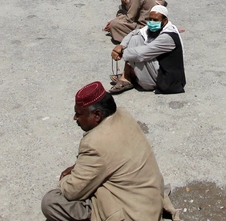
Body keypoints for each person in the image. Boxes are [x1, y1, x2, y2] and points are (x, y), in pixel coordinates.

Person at [40, 82, 175, 221]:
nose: (75, 118)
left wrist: (65, 179)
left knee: (50, 202)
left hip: (132, 215)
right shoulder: (123, 115)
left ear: (97, 115)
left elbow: (71, 191)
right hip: (150, 202)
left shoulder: (94, 143)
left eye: (78, 114)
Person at [109, 5, 185, 95]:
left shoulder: (168, 37)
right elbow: (134, 32)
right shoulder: (151, 28)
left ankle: (129, 76)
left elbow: (142, 54)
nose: (152, 22)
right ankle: (127, 76)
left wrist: (122, 52)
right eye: (150, 19)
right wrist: (121, 45)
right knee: (135, 38)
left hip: (165, 80)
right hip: (157, 69)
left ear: (165, 21)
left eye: (156, 20)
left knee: (137, 52)